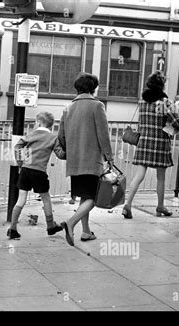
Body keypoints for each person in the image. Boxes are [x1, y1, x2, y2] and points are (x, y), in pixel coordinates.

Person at [55, 72, 114, 246]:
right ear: (93, 88)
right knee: (93, 198)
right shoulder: (97, 106)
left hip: (75, 161)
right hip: (91, 160)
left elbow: (61, 136)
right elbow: (103, 135)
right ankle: (71, 222)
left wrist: (70, 151)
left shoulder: (68, 108)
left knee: (84, 196)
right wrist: (109, 157)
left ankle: (86, 232)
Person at [121, 71, 179, 219]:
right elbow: (174, 121)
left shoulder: (142, 102)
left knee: (139, 175)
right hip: (160, 143)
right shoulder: (163, 103)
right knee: (161, 177)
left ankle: (128, 205)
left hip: (144, 142)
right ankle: (160, 206)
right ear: (162, 85)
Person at [7, 112, 63, 239]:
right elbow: (60, 154)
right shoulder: (53, 138)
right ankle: (50, 226)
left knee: (21, 200)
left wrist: (20, 162)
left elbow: (18, 146)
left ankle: (13, 228)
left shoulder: (32, 135)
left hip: (26, 170)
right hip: (40, 172)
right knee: (46, 198)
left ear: (38, 122)